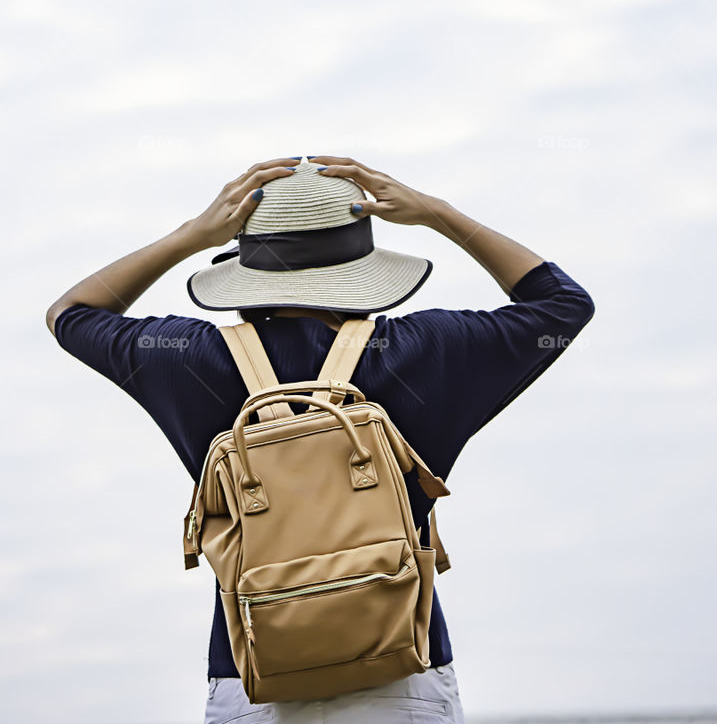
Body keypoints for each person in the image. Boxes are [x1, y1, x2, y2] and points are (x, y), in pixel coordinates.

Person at [46, 154, 595, 723]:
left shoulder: (187, 357)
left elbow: (71, 314)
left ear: (243, 265)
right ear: (365, 265)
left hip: (252, 678)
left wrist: (191, 235)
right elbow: (562, 305)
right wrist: (439, 214)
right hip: (405, 673)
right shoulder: (430, 348)